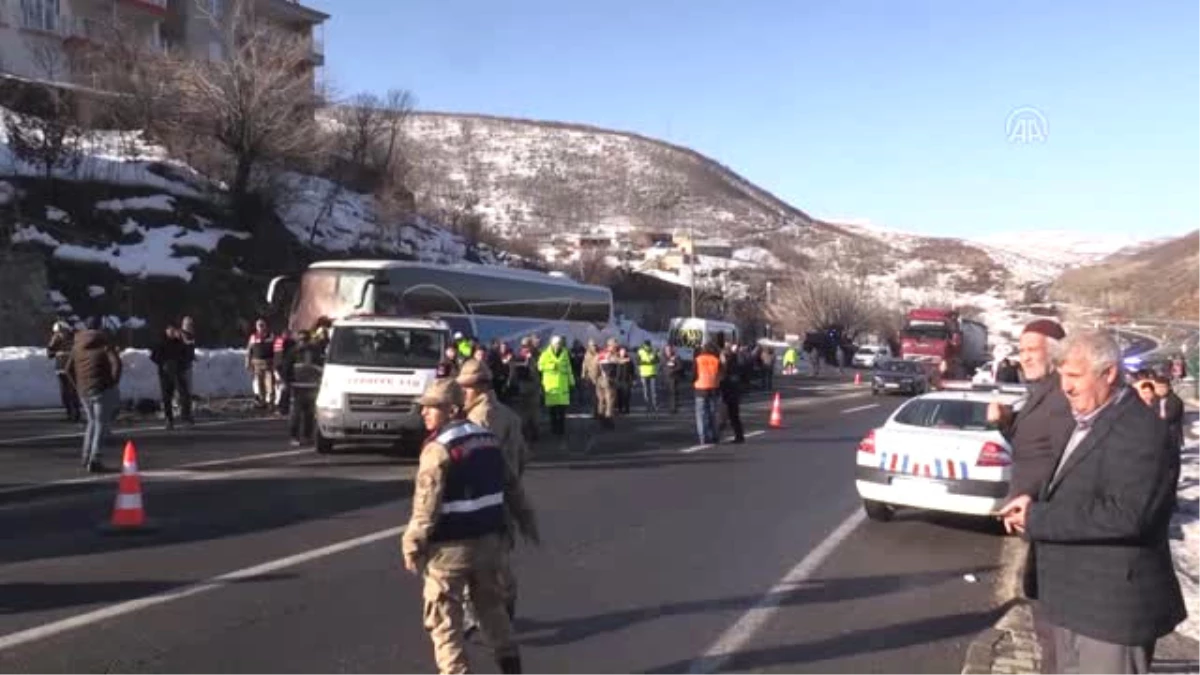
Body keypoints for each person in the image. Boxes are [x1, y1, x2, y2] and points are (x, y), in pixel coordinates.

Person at [999, 330, 1185, 675]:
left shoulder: (1140, 431)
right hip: (1073, 603)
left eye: (1074, 376)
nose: (1065, 387)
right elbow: (1079, 487)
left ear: (1109, 373)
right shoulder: (1089, 419)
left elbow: (1128, 515)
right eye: (1062, 377)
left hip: (1109, 613)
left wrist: (1038, 517)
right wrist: (1034, 498)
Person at [401, 378, 528, 675]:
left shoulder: (438, 448)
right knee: (493, 611)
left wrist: (413, 543)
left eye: (432, 407)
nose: (424, 413)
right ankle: (511, 668)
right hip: (489, 543)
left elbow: (426, 506)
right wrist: (521, 521)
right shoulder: (487, 438)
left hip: (451, 549)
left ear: (453, 409)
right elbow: (512, 485)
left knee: (444, 621)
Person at [455, 359, 535, 634]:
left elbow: (476, 460)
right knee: (498, 556)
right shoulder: (508, 414)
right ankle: (505, 604)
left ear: (478, 388)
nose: (462, 392)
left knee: (472, 558)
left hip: (482, 499)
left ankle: (475, 612)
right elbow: (523, 456)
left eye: (465, 387)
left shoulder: (478, 419)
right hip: (505, 495)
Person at [65, 317, 122, 473]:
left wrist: (77, 386)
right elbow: (116, 363)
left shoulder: (77, 345)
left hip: (84, 390)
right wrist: (113, 382)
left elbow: (67, 368)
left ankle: (85, 457)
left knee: (91, 422)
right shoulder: (104, 343)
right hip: (102, 388)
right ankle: (95, 459)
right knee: (101, 424)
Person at [281, 330, 324, 447]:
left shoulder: (315, 352)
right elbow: (285, 368)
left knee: (309, 414)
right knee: (296, 414)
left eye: (305, 340)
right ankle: (294, 436)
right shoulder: (293, 352)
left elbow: (321, 367)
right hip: (297, 387)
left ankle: (307, 436)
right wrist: (286, 382)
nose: (303, 342)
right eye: (301, 340)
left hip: (311, 387)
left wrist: (321, 382)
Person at [150, 325, 194, 429]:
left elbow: (187, 355)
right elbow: (154, 356)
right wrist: (163, 363)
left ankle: (186, 416)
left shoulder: (179, 343)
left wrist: (182, 363)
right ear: (166, 331)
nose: (172, 332)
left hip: (178, 371)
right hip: (165, 373)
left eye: (173, 330)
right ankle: (169, 419)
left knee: (184, 394)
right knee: (167, 397)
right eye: (170, 330)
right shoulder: (161, 342)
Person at [537, 335, 574, 437]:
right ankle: (554, 428)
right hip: (551, 387)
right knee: (552, 411)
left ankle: (561, 429)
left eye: (560, 343)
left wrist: (571, 382)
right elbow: (540, 366)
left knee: (562, 410)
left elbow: (568, 368)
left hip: (562, 385)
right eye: (557, 344)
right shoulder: (545, 354)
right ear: (552, 344)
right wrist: (550, 366)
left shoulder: (565, 353)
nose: (558, 345)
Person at [47, 321, 81, 422]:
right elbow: (49, 354)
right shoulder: (55, 339)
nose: (59, 334)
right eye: (56, 332)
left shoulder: (74, 338)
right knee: (64, 392)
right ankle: (69, 412)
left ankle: (76, 412)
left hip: (72, 368)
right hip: (61, 369)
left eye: (60, 331)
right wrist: (55, 350)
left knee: (73, 390)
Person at [693, 343, 722, 444]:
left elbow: (694, 375)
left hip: (700, 389)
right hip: (714, 389)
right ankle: (715, 436)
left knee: (701, 415)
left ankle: (703, 437)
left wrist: (695, 382)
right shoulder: (716, 360)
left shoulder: (698, 360)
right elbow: (721, 374)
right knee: (713, 414)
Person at [245, 319, 275, 411]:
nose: (261, 327)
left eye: (262, 325)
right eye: (259, 325)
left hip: (269, 362)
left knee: (270, 383)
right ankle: (262, 402)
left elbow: (277, 350)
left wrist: (277, 361)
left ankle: (271, 402)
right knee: (259, 383)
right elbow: (249, 351)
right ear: (256, 327)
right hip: (257, 363)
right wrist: (247, 362)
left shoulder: (271, 336)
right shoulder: (253, 337)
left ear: (266, 326)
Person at [719, 344, 746, 444]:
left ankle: (716, 435)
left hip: (728, 393)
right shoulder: (736, 364)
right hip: (735, 393)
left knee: (724, 416)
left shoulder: (728, 365)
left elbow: (724, 378)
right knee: (734, 416)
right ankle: (739, 436)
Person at [1154, 375, 1185, 452]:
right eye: (1157, 387)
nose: (1160, 390)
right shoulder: (1154, 400)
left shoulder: (1175, 400)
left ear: (1168, 387)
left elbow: (1171, 416)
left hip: (1171, 433)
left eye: (1162, 387)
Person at [636, 340, 660, 412]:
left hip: (652, 373)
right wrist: (647, 362)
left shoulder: (653, 351)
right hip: (645, 373)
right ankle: (648, 405)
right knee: (647, 390)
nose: (648, 347)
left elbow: (657, 360)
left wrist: (651, 361)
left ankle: (654, 405)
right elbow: (638, 361)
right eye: (647, 345)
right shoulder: (640, 351)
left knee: (652, 390)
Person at [662, 344, 684, 414]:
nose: (668, 351)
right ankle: (673, 406)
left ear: (672, 350)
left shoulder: (676, 357)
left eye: (669, 349)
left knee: (673, 393)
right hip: (666, 378)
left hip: (674, 378)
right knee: (669, 393)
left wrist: (674, 369)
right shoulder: (663, 357)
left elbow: (680, 366)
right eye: (666, 350)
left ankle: (673, 409)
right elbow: (662, 366)